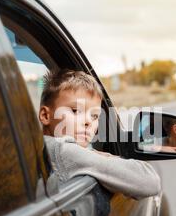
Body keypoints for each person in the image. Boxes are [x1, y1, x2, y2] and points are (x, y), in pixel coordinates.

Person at [38, 69, 161, 199]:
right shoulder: (63, 150)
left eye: (94, 116)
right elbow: (151, 181)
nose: (87, 122)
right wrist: (104, 157)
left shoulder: (40, 147)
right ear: (46, 115)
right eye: (75, 111)